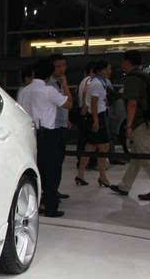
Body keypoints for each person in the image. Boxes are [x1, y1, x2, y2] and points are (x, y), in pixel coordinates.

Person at [110, 50, 150, 200]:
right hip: (149, 120)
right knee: (137, 156)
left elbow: (132, 104)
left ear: (127, 62)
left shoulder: (133, 79)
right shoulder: (144, 76)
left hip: (141, 123)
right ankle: (125, 186)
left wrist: (128, 126)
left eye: (123, 61)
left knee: (147, 157)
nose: (121, 64)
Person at [25, 57, 72, 217]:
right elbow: (68, 104)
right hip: (48, 134)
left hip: (30, 134)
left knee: (36, 169)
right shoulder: (48, 90)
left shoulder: (25, 91)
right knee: (51, 171)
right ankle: (51, 206)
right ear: (49, 73)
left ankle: (34, 204)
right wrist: (65, 85)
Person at [76, 60, 112, 187]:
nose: (110, 71)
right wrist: (96, 120)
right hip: (98, 116)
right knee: (103, 147)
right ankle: (102, 176)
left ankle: (81, 174)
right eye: (108, 69)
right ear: (101, 70)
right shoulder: (97, 83)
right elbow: (94, 103)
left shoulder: (95, 81)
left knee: (91, 146)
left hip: (94, 116)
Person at [48, 54, 72, 201]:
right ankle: (50, 192)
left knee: (59, 161)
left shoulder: (62, 83)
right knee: (53, 163)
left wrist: (66, 119)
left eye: (63, 65)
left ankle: (55, 190)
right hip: (52, 127)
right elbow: (68, 103)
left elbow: (68, 103)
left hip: (62, 124)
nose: (61, 69)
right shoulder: (48, 85)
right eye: (58, 66)